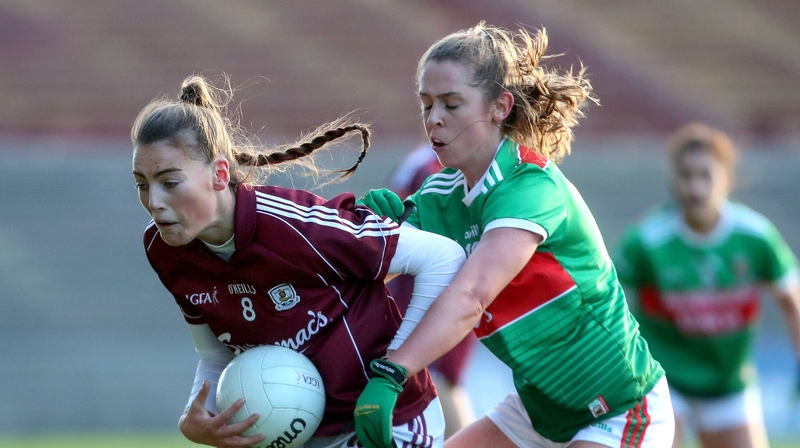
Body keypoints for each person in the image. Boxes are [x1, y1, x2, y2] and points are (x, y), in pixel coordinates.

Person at [353, 22, 674, 448]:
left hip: (620, 407)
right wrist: (362, 235)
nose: (434, 120)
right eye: (426, 104)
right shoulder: (437, 195)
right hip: (538, 410)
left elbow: (471, 298)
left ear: (500, 106)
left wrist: (394, 370)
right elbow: (366, 278)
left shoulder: (530, 185)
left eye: (451, 104)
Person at [130, 75, 468, 448]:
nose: (154, 201)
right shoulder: (164, 248)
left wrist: (394, 371)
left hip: (389, 423)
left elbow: (443, 257)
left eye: (169, 182)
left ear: (220, 174)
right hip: (302, 437)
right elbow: (216, 352)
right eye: (142, 184)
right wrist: (197, 418)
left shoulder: (294, 224)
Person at [613, 123, 800, 448]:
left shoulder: (755, 236)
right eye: (686, 176)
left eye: (705, 175)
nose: (694, 187)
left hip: (730, 384)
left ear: (726, 179)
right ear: (674, 180)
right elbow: (606, 302)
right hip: (663, 382)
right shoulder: (646, 240)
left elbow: (791, 300)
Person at [386, 142, 477, 438]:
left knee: (435, 379)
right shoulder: (422, 163)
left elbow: (391, 234)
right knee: (434, 379)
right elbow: (394, 227)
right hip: (435, 286)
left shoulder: (431, 163)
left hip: (448, 289)